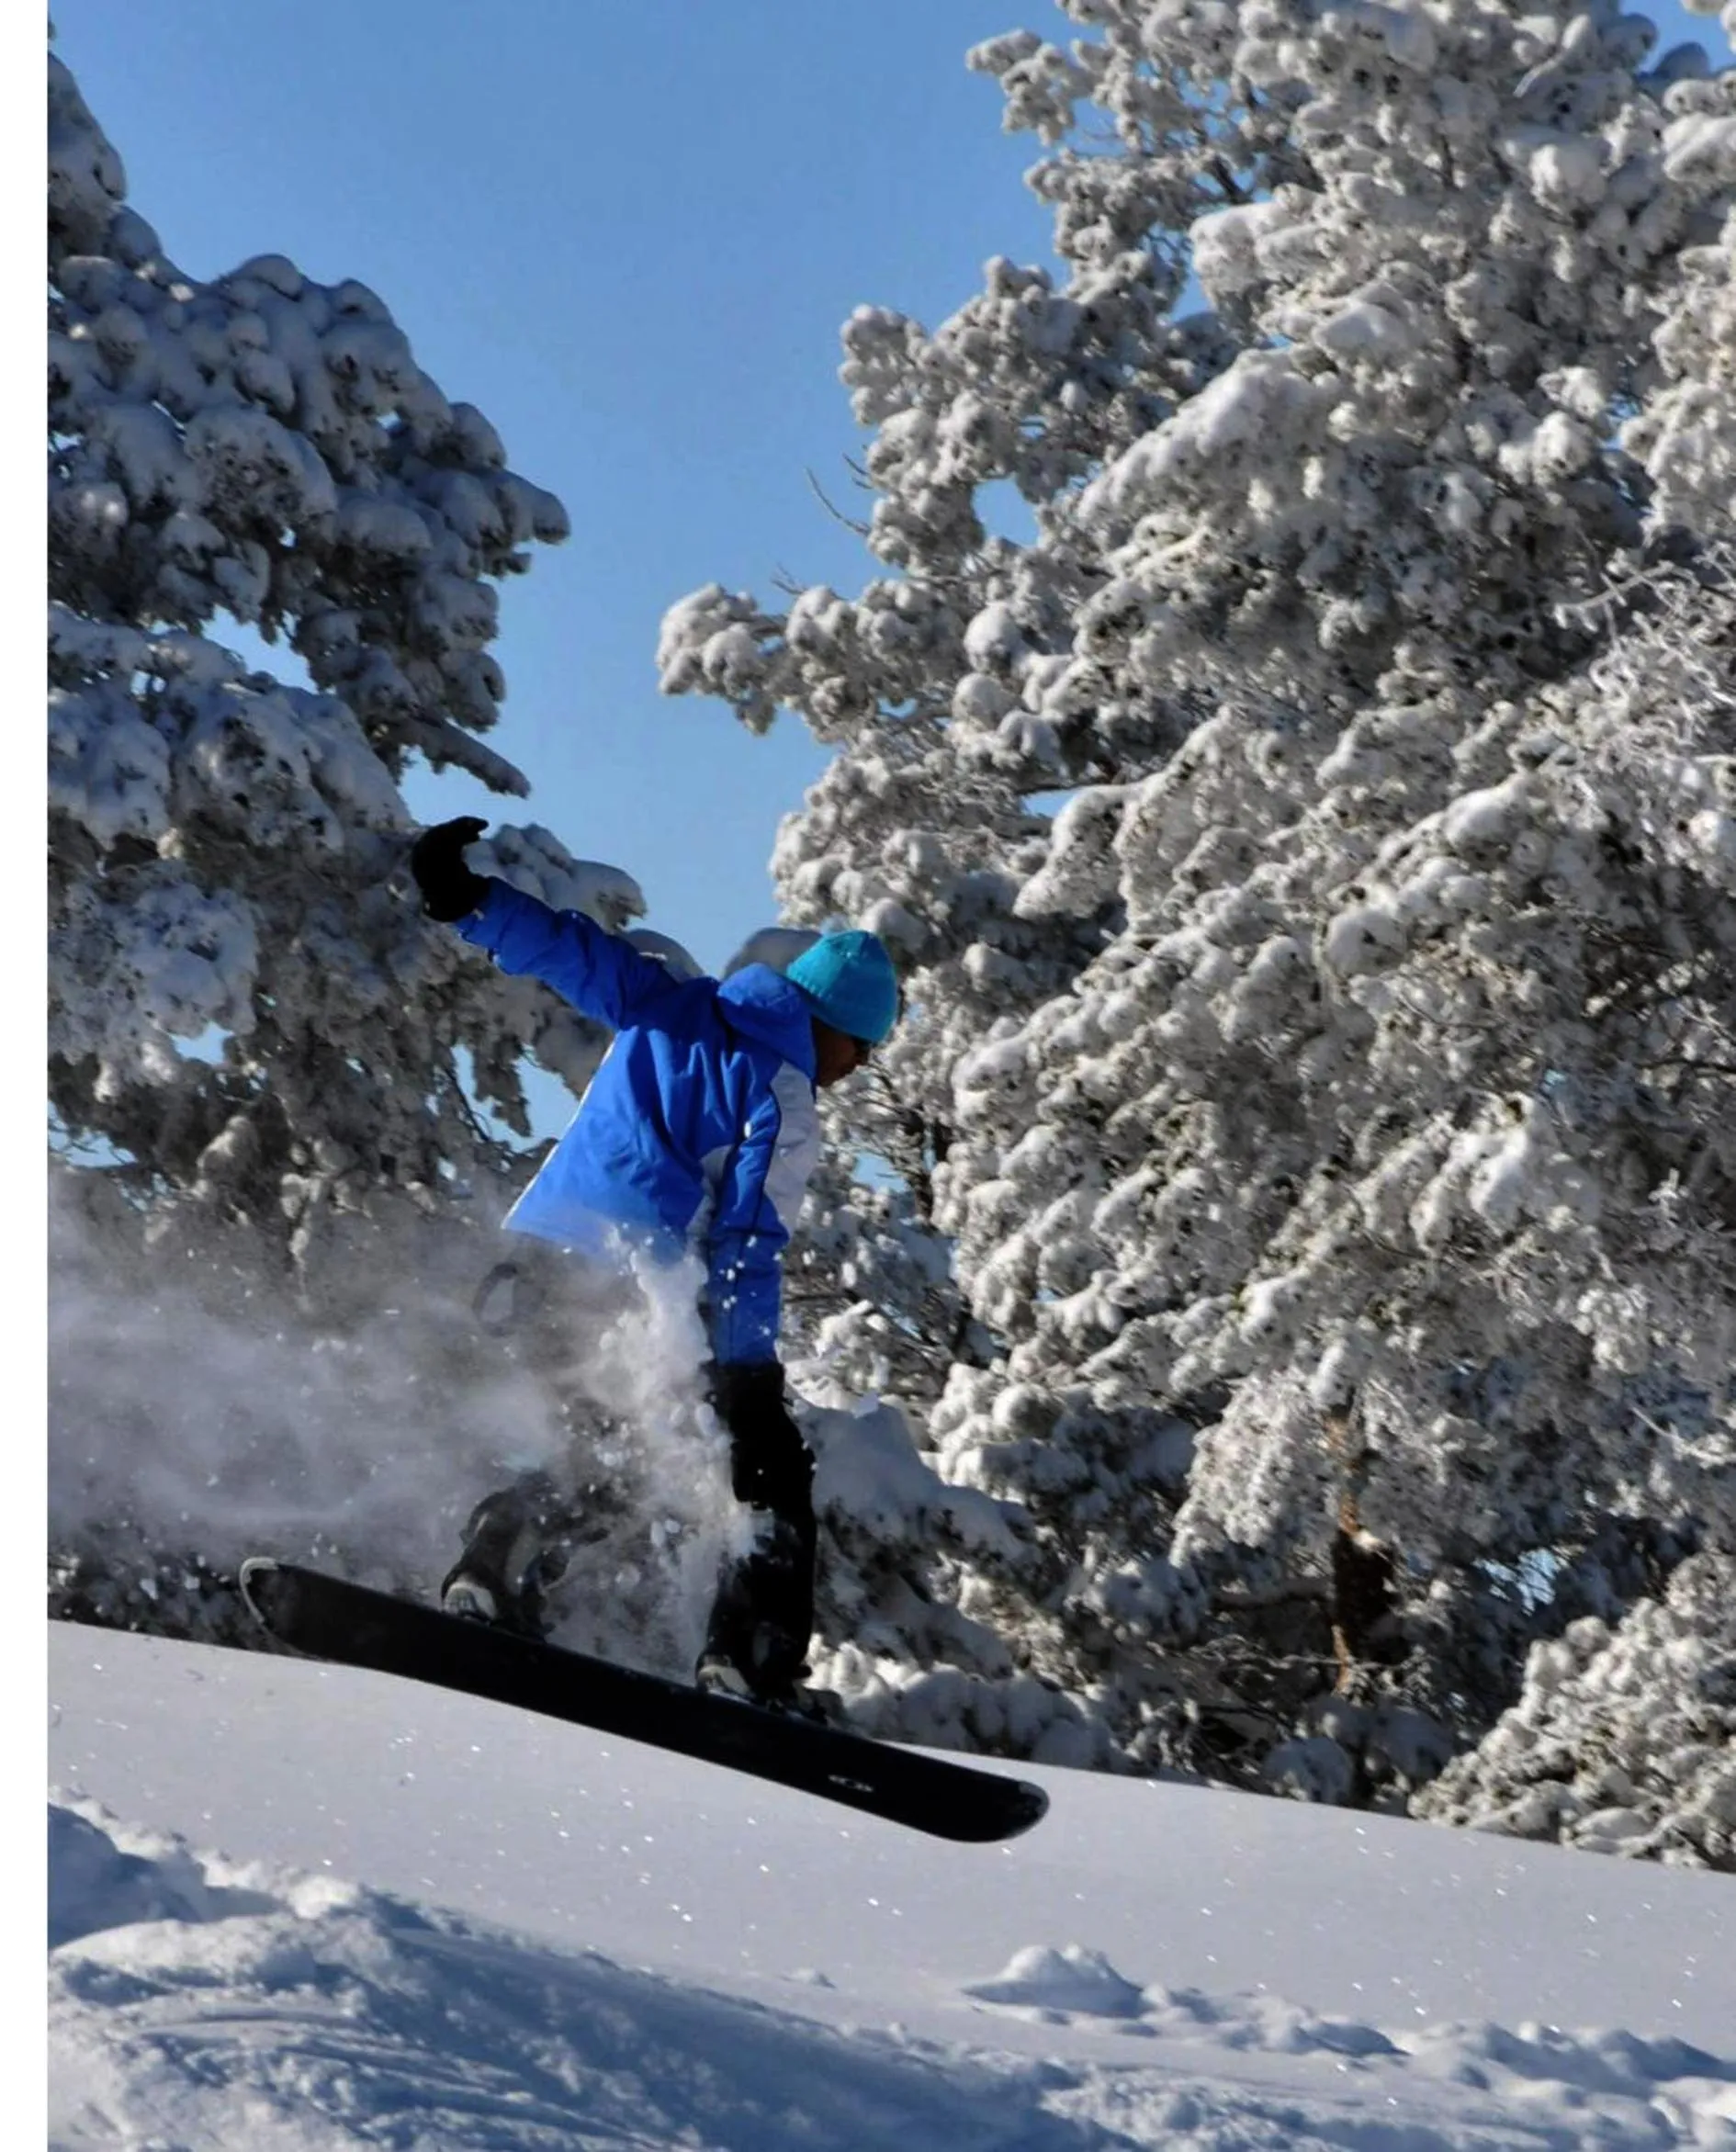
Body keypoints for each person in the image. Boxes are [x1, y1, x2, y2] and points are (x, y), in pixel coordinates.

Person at [409, 816, 899, 1709]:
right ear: (833, 1030)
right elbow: (746, 1243)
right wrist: (746, 1374)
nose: (854, 1073)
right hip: (628, 1285)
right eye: (860, 1052)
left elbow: (572, 954)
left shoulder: (674, 1001)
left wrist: (465, 898)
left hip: (542, 1261)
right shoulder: (783, 1094)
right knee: (770, 1472)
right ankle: (747, 1663)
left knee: (604, 1451)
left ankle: (490, 1572)